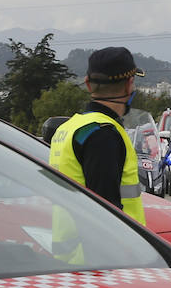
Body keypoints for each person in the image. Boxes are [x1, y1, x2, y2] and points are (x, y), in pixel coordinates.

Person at [48, 46, 147, 227]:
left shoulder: (70, 128)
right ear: (129, 84)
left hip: (71, 250)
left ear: (87, 83)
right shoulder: (103, 134)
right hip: (103, 252)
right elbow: (106, 212)